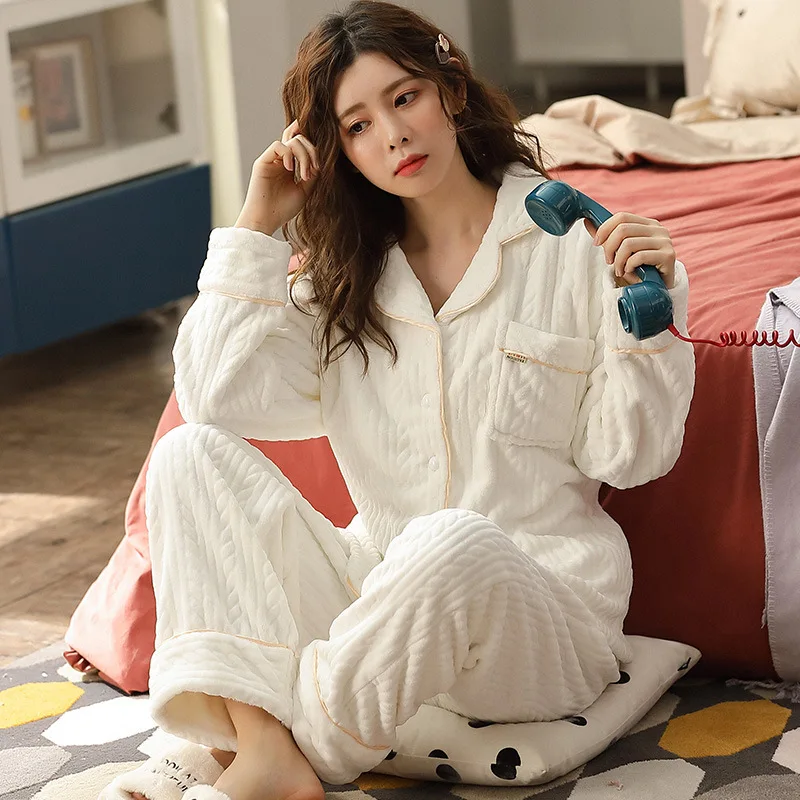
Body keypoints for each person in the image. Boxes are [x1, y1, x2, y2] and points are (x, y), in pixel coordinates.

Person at [102, 1, 695, 799]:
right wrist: (255, 223)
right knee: (187, 457)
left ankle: (278, 753)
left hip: (538, 623)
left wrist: (649, 314)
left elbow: (632, 456)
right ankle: (264, 748)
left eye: (404, 97)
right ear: (337, 151)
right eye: (357, 125)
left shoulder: (576, 249)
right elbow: (211, 395)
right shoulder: (345, 279)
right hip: (380, 602)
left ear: (451, 90)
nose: (392, 135)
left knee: (451, 538)